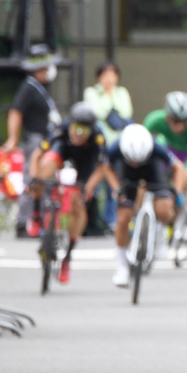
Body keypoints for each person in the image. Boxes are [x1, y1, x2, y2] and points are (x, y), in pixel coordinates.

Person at [28, 102, 113, 283]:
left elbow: (102, 168)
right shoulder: (62, 129)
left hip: (85, 165)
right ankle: (36, 213)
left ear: (91, 130)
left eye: (83, 131)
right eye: (75, 128)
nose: (77, 134)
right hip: (63, 152)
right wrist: (34, 178)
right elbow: (37, 155)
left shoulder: (99, 137)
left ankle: (67, 258)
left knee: (79, 206)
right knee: (44, 171)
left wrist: (88, 187)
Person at [107, 124, 185, 288]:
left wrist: (176, 192)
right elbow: (105, 167)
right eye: (133, 160)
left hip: (152, 170)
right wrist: (116, 188)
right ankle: (122, 266)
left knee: (164, 210)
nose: (136, 163)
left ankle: (160, 232)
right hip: (125, 173)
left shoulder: (156, 147)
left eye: (139, 160)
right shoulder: (116, 147)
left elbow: (178, 167)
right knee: (122, 219)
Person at [0, 44, 62, 237]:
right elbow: (15, 112)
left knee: (43, 180)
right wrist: (12, 138)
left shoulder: (39, 88)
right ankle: (21, 222)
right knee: (31, 179)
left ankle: (39, 221)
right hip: (35, 140)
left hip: (44, 140)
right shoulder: (28, 87)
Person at [83, 61, 133, 229]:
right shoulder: (92, 92)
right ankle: (93, 220)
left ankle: (111, 220)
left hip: (117, 145)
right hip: (98, 146)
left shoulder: (122, 92)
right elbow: (96, 111)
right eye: (105, 75)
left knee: (116, 182)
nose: (109, 79)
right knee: (95, 183)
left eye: (112, 75)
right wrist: (110, 103)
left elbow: (126, 112)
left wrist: (111, 100)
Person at [143, 91, 187, 196]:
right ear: (167, 117)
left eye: (183, 121)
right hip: (166, 148)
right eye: (173, 121)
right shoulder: (154, 120)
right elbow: (142, 142)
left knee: (182, 182)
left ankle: (177, 202)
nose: (178, 126)